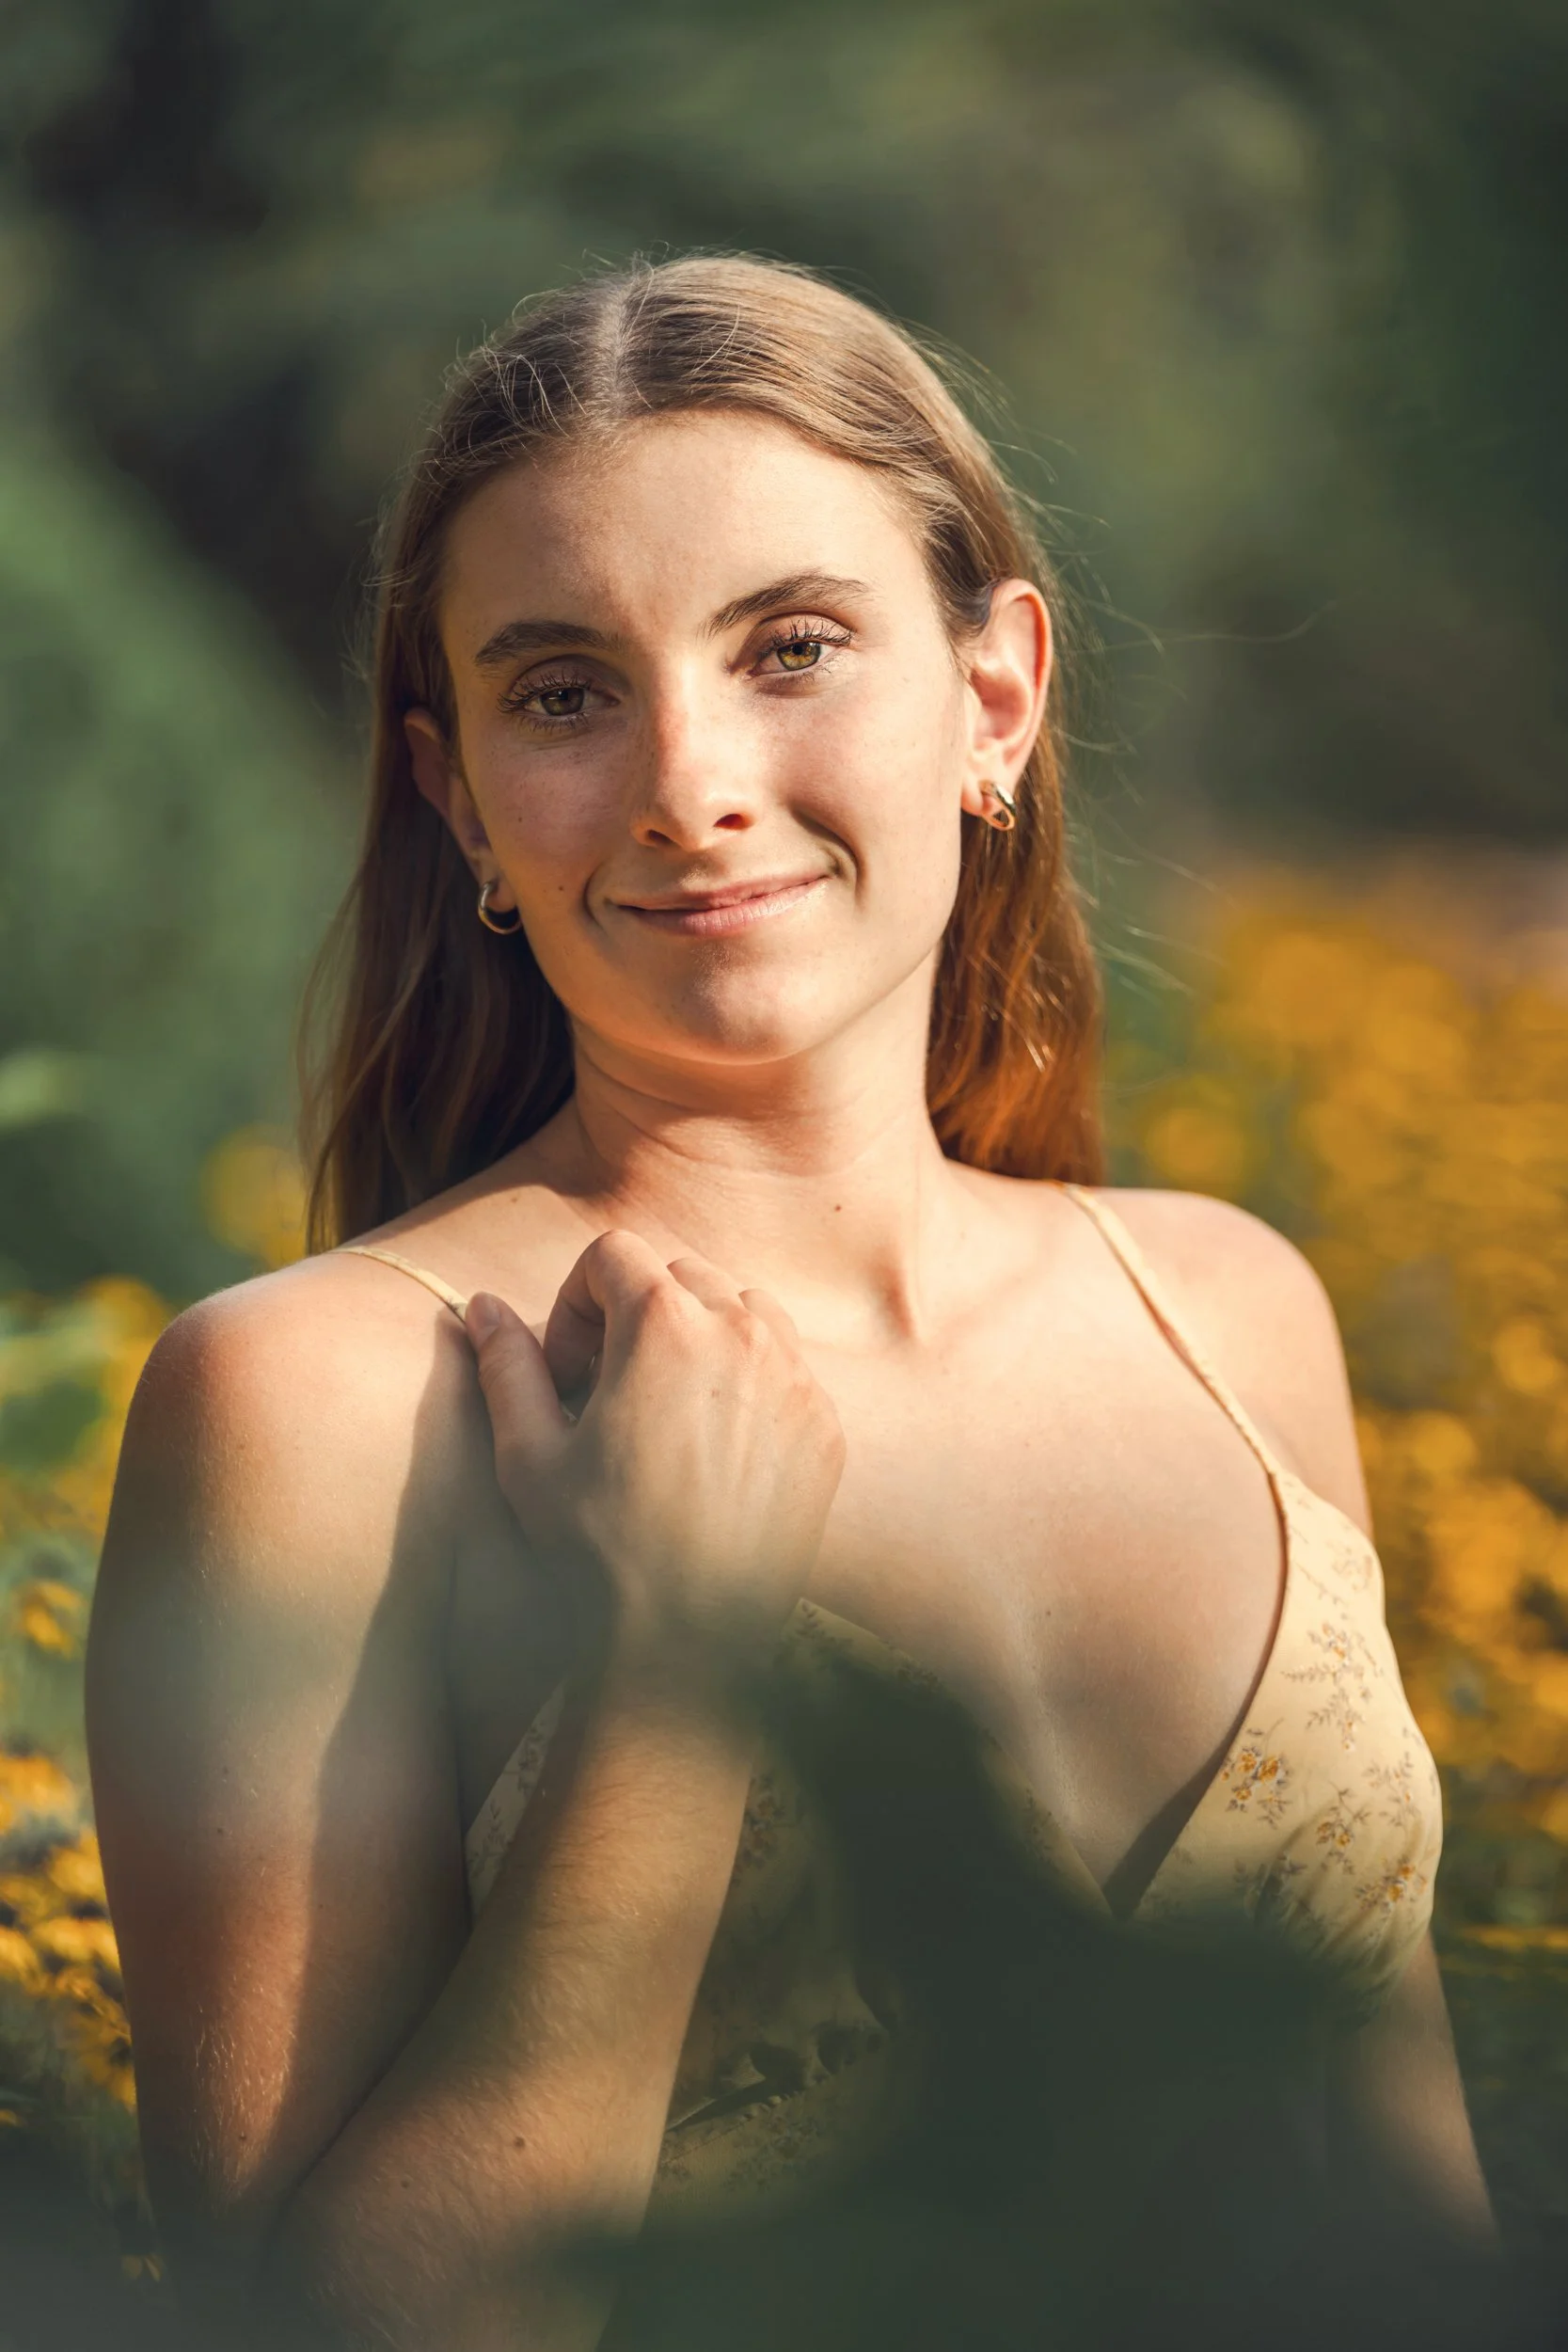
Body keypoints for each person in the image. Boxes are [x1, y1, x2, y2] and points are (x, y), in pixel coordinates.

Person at [86, 255, 1494, 2350]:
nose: (684, 776)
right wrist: (659, 1681)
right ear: (461, 795)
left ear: (992, 696)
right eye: (563, 691)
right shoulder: (315, 1403)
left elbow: (1407, 2215)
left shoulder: (1229, 1311)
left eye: (792, 646)